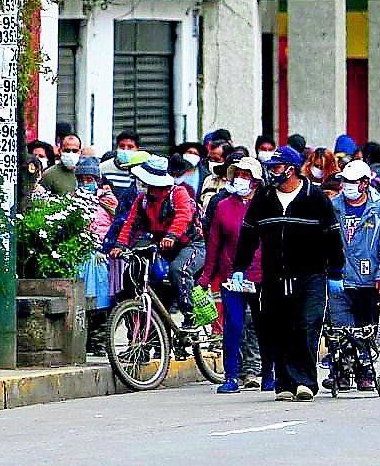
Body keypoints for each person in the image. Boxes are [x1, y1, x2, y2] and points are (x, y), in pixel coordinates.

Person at [230, 146, 344, 402]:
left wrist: (336, 271)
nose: (272, 172)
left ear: (291, 170)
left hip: (310, 275)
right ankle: (284, 382)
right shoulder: (264, 199)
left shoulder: (315, 198)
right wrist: (239, 267)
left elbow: (332, 237)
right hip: (274, 276)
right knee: (278, 328)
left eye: (277, 167)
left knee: (307, 326)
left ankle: (304, 381)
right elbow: (249, 234)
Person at [200, 157, 269, 394]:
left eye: (246, 176)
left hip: (261, 275)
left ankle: (268, 375)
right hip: (232, 277)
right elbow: (214, 244)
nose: (241, 180)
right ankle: (231, 376)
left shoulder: (266, 204)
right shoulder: (223, 206)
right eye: (238, 175)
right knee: (233, 326)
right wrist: (206, 278)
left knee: (263, 326)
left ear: (256, 181)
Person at [328, 160, 380, 388]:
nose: (346, 186)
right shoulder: (333, 208)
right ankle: (341, 371)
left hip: (368, 282)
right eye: (344, 181)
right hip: (338, 279)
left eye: (352, 182)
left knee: (364, 328)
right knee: (338, 328)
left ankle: (365, 370)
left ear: (365, 184)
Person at [112, 157, 205, 319]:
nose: (142, 185)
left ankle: (190, 316)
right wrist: (120, 245)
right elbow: (130, 223)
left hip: (191, 245)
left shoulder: (178, 193)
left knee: (179, 270)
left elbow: (183, 215)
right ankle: (151, 329)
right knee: (136, 273)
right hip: (162, 246)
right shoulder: (143, 200)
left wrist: (171, 235)